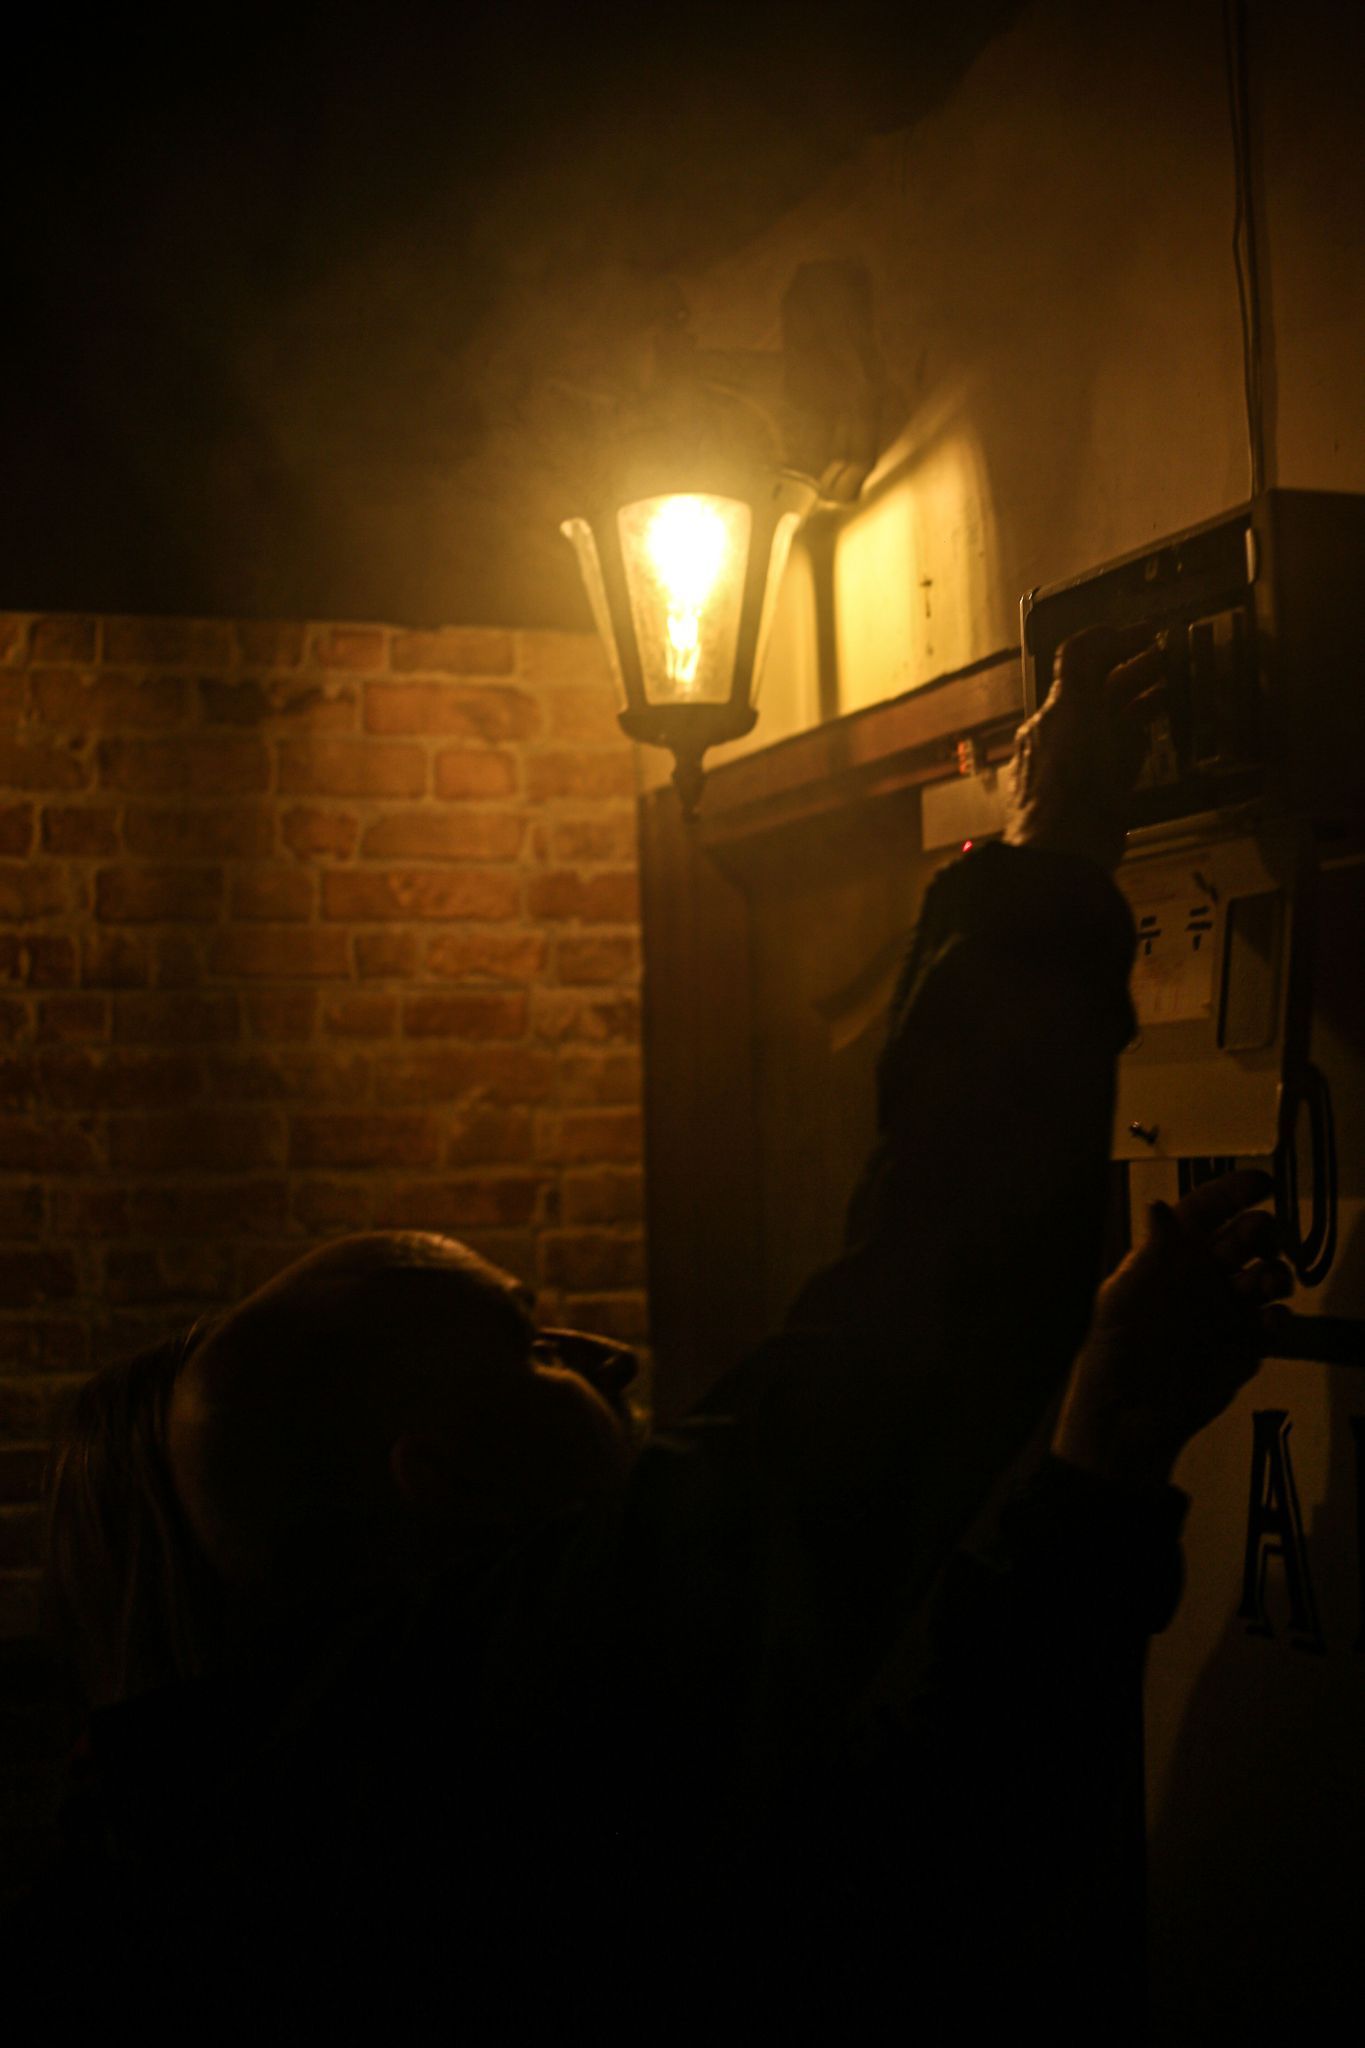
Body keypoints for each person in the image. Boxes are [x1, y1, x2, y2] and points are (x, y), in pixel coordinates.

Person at [10, 630, 1289, 2035]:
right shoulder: (499, 1708)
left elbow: (877, 1845)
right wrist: (1043, 864)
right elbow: (894, 1342)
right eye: (529, 1348)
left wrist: (1098, 1469)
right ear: (436, 1474)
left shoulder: (220, 1823)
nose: (603, 1356)